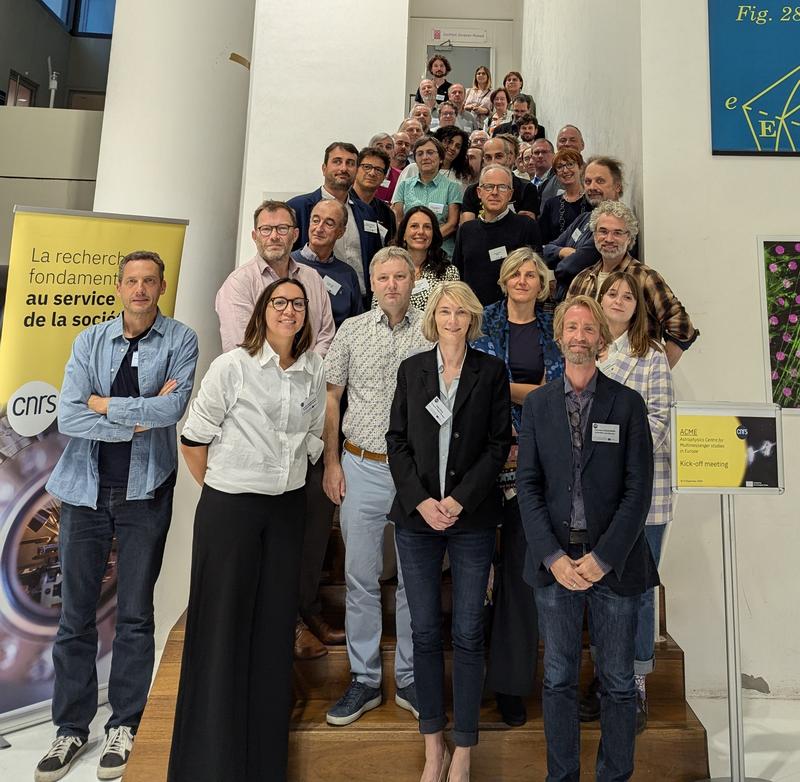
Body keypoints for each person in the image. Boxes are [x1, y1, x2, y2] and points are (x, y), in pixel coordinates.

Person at [37, 251, 198, 782]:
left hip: (143, 492)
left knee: (134, 615)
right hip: (83, 492)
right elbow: (68, 414)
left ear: (161, 286)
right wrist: (133, 417)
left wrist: (105, 405)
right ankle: (70, 728)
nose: (140, 289)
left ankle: (124, 725)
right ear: (119, 286)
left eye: (149, 281)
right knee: (75, 617)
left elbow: (171, 412)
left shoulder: (181, 339)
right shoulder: (90, 340)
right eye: (131, 281)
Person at [168, 278, 325, 782]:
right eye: (279, 302)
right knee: (221, 630)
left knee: (273, 630)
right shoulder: (232, 366)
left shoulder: (311, 370)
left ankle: (261, 764)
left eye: (297, 304)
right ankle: (208, 764)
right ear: (262, 310)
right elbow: (193, 439)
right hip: (231, 510)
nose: (289, 310)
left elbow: (315, 438)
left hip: (285, 513)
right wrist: (221, 490)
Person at [516, 295, 657, 782]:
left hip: (612, 564)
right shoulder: (536, 406)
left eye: (588, 329)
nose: (579, 336)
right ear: (559, 337)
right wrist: (552, 556)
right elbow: (528, 486)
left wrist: (603, 556)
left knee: (617, 683)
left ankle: (614, 775)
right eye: (570, 327)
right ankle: (563, 776)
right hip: (555, 563)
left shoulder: (627, 403)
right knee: (556, 680)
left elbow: (639, 490)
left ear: (601, 339)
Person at [387, 281, 511, 782]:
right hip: (418, 520)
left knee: (466, 630)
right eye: (444, 311)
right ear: (432, 317)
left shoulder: (491, 372)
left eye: (461, 312)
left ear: (473, 319)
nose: (452, 319)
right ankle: (432, 744)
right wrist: (421, 500)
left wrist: (460, 500)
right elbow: (397, 441)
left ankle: (463, 749)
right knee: (422, 631)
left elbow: (499, 443)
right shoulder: (412, 369)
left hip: (471, 519)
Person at [323, 247, 431, 727]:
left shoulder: (432, 330)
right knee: (361, 578)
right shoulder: (351, 331)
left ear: (413, 280)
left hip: (416, 473)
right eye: (383, 276)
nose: (391, 284)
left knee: (414, 580)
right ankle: (365, 679)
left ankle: (409, 677)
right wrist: (331, 463)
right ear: (372, 282)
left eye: (400, 276)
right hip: (361, 465)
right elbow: (332, 398)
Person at [575, 270, 674, 733]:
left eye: (626, 295)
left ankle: (633, 683)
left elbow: (658, 418)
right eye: (610, 292)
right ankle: (604, 678)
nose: (618, 299)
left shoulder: (650, 356)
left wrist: (617, 454)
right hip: (591, 495)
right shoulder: (586, 352)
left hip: (644, 494)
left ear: (639, 307)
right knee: (601, 588)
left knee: (635, 590)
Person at [472, 249, 564, 729]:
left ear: (542, 283)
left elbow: (560, 388)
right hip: (484, 457)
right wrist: (527, 391)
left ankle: (510, 685)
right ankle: (468, 683)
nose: (523, 280)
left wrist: (506, 387)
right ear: (504, 280)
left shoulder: (555, 326)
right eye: (516, 274)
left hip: (543, 460)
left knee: (522, 576)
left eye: (532, 274)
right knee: (475, 571)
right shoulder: (482, 322)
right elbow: (478, 383)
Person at [567, 200, 699, 367]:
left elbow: (683, 328)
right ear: (594, 236)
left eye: (617, 233)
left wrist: (657, 370)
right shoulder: (581, 280)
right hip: (587, 378)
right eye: (603, 231)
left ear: (629, 237)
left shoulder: (645, 278)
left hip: (630, 381)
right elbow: (567, 328)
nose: (609, 238)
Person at [216, 199, 335, 354]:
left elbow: (326, 336)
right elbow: (241, 348)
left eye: (282, 228)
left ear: (295, 235)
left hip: (310, 375)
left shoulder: (313, 278)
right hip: (258, 377)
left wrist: (306, 371)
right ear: (255, 236)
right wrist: (285, 373)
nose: (274, 236)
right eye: (266, 229)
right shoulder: (238, 283)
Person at [452, 164, 543, 306]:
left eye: (502, 187)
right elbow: (457, 276)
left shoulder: (527, 227)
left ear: (510, 194)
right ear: (479, 192)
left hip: (512, 315)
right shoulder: (466, 230)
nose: (495, 192)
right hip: (472, 314)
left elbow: (537, 278)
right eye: (488, 187)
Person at [543, 155, 625, 300]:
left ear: (617, 186)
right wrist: (563, 251)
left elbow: (567, 269)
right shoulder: (584, 218)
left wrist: (560, 260)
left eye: (600, 181)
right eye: (588, 181)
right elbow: (547, 251)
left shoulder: (618, 224)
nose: (592, 187)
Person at [292, 200, 363, 329]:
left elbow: (356, 326)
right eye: (315, 220)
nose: (319, 229)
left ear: (341, 232)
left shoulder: (348, 274)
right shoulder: (287, 264)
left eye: (329, 224)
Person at [392, 136, 462, 257]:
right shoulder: (404, 185)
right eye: (420, 154)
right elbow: (399, 220)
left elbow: (452, 224)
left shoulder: (452, 187)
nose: (425, 157)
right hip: (409, 252)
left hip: (441, 251)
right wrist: (412, 241)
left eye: (430, 152)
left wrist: (426, 239)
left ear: (440, 158)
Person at [385, 205, 459, 311]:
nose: (420, 232)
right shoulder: (387, 269)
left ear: (433, 234)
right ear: (404, 234)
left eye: (427, 227)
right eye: (414, 226)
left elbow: (452, 312)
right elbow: (377, 308)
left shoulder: (449, 273)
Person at [459, 137, 540, 223]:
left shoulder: (527, 188)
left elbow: (526, 228)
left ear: (509, 158)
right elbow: (467, 228)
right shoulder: (472, 191)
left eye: (498, 156)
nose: (493, 162)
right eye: (488, 158)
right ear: (483, 162)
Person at [538, 147, 588, 244]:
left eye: (570, 164)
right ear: (556, 174)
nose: (565, 170)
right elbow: (543, 239)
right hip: (557, 256)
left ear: (581, 168)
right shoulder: (551, 204)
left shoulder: (592, 200)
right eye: (560, 167)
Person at [539, 125, 586, 204]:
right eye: (563, 140)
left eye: (572, 140)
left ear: (582, 145)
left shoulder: (593, 173)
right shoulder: (548, 179)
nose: (567, 144)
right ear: (557, 146)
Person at [371, 132, 402, 203]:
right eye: (379, 146)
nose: (384, 150)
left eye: (388, 147)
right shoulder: (360, 172)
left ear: (394, 152)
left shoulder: (400, 176)